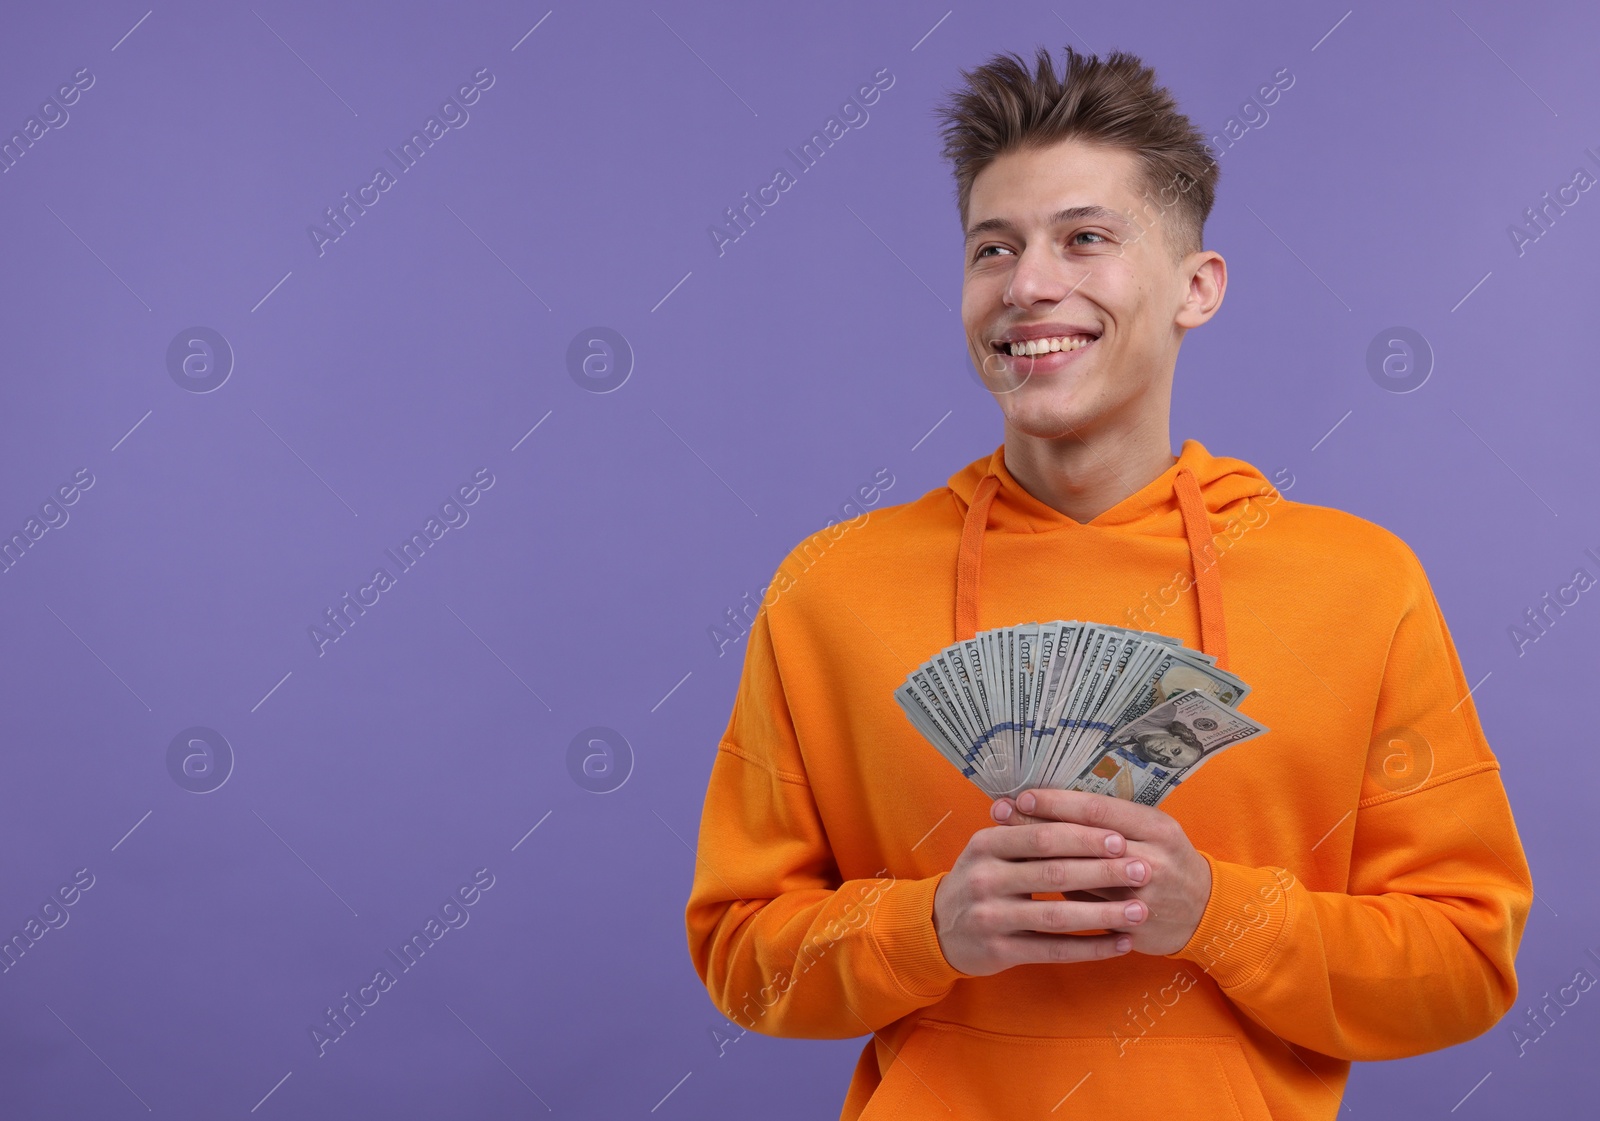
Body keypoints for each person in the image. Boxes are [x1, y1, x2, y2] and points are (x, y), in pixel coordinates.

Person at [684, 44, 1531, 1120]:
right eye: (993, 247)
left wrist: (1216, 911)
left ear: (1196, 287)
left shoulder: (1364, 582)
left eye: (1085, 237)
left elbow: (1465, 965)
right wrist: (928, 929)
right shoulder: (826, 589)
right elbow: (740, 955)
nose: (1029, 283)